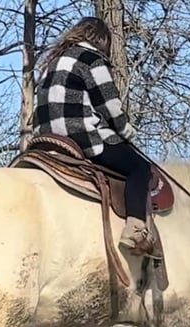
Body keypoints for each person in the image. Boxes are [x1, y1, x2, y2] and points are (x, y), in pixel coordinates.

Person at [33, 16, 158, 258]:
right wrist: (126, 131)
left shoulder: (51, 62)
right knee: (139, 168)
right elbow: (109, 105)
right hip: (81, 136)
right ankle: (134, 229)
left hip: (44, 140)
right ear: (102, 40)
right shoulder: (91, 59)